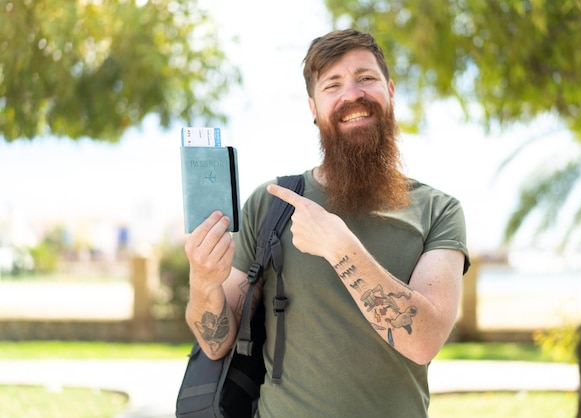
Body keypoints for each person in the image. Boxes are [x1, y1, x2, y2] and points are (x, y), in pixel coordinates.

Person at [184, 28, 470, 418]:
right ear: (313, 108)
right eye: (332, 85)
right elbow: (216, 344)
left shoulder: (438, 210)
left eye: (366, 78)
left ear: (390, 91)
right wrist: (202, 279)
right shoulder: (272, 204)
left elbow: (424, 342)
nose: (352, 94)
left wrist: (341, 248)